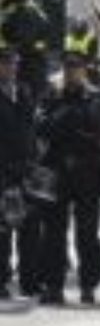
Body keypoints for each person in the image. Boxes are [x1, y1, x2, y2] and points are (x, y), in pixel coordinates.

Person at [35, 49, 100, 305]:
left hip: (87, 172)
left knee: (87, 233)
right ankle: (53, 286)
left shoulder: (97, 96)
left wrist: (66, 118)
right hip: (56, 171)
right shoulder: (50, 95)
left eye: (76, 68)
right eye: (67, 68)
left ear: (84, 70)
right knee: (53, 233)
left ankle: (88, 284)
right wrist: (72, 118)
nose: (71, 73)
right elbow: (41, 127)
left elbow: (97, 121)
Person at [0, 41, 39, 300]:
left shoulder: (24, 91)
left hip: (27, 169)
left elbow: (32, 128)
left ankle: (29, 281)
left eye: (14, 63)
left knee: (30, 227)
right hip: (4, 170)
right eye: (6, 63)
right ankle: (2, 280)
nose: (12, 68)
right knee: (4, 228)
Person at [0, 0, 53, 98]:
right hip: (13, 76)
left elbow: (16, 47)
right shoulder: (12, 11)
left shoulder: (26, 13)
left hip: (25, 80)